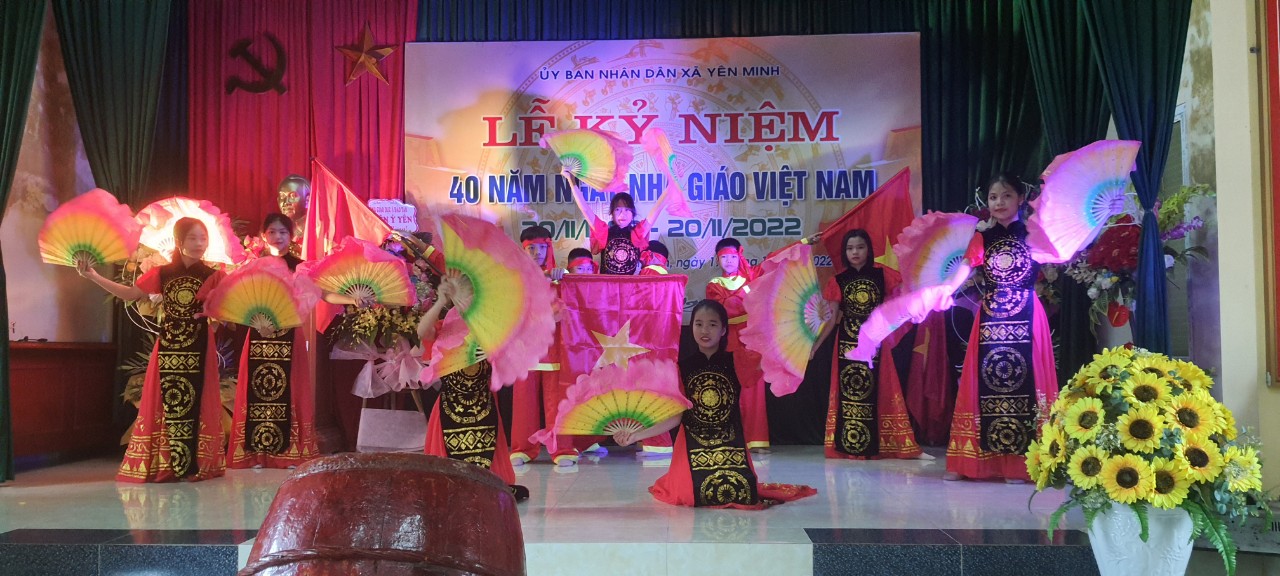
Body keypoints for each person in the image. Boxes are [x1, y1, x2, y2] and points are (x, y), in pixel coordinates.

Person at [615, 300, 816, 508]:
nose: (705, 330)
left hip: (730, 442)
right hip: (692, 444)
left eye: (712, 324)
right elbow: (676, 417)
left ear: (723, 330)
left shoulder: (738, 360)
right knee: (690, 495)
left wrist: (802, 347)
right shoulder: (681, 368)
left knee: (742, 492)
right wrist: (636, 435)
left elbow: (773, 356)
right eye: (699, 324)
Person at [80, 217, 226, 482]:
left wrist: (213, 317)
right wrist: (93, 276)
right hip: (169, 344)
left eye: (203, 238)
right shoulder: (162, 273)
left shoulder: (214, 275)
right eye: (193, 238)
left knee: (196, 401)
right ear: (179, 241)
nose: (199, 243)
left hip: (199, 345)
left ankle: (192, 466)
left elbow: (226, 311)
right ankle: (169, 463)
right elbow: (130, 294)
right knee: (168, 401)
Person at [944, 173, 1059, 482]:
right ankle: (976, 461)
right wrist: (944, 290)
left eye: (1006, 195)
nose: (999, 202)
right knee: (987, 377)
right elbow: (966, 268)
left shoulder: (1034, 231)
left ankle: (1022, 463)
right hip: (992, 314)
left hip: (1027, 311)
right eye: (993, 197)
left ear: (1020, 199)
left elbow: (1059, 255)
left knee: (1026, 377)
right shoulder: (982, 237)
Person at [417, 270, 525, 497]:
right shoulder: (445, 326)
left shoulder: (490, 325)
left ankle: (488, 487)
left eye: (468, 293)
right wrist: (440, 302)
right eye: (459, 293)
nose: (464, 299)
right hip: (450, 404)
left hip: (483, 404)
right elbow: (422, 332)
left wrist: (493, 350)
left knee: (488, 456)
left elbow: (512, 354)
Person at [226, 213, 320, 469]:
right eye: (272, 232)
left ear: (291, 236)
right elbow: (242, 300)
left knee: (289, 390)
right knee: (258, 391)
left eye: (283, 232)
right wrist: (256, 321)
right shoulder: (254, 266)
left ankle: (288, 453)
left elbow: (322, 293)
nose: (278, 236)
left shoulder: (300, 267)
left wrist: (353, 299)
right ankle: (257, 453)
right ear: (263, 235)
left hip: (289, 335)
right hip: (259, 334)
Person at [819, 229, 921, 460]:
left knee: (879, 387)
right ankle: (850, 445)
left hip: (875, 341)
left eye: (860, 247)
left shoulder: (882, 275)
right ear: (844, 252)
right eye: (850, 248)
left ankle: (883, 444)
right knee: (850, 391)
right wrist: (814, 346)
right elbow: (832, 319)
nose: (855, 252)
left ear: (868, 249)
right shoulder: (838, 280)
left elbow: (898, 303)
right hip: (847, 342)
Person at [508, 225, 587, 466]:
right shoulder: (514, 278)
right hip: (525, 348)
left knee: (557, 401)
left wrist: (564, 278)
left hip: (552, 349)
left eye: (542, 248)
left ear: (549, 248)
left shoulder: (559, 278)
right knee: (524, 402)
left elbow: (578, 304)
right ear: (523, 250)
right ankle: (522, 448)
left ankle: (562, 449)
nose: (537, 253)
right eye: (531, 248)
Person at [704, 237, 770, 452]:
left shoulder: (751, 277)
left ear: (739, 256)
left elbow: (776, 260)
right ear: (718, 260)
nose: (729, 261)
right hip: (727, 339)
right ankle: (728, 438)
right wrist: (745, 294)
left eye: (733, 256)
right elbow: (725, 308)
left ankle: (756, 440)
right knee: (727, 389)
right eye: (724, 257)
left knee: (754, 390)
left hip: (751, 338)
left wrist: (803, 243)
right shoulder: (714, 285)